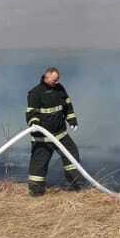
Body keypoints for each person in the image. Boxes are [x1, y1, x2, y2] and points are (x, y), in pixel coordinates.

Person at [24, 67, 83, 195]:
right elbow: (31, 113)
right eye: (54, 80)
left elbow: (67, 105)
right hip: (43, 138)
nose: (57, 82)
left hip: (60, 134)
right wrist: (34, 123)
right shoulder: (35, 93)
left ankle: (76, 186)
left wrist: (72, 120)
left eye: (58, 79)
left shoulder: (59, 89)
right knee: (39, 165)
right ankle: (36, 193)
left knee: (72, 156)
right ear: (47, 77)